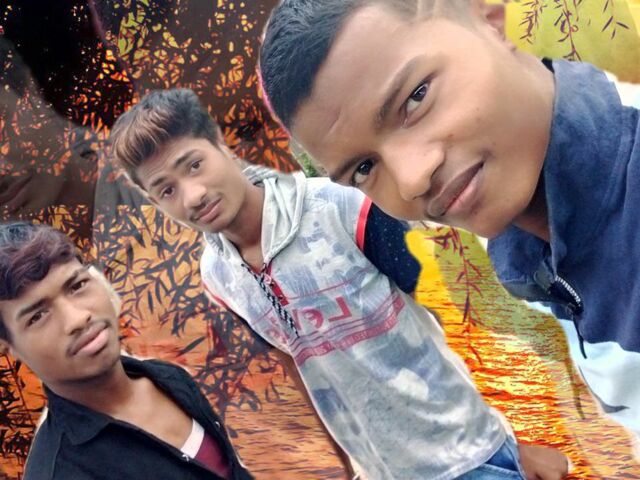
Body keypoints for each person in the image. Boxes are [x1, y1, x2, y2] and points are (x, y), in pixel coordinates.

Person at [109, 88, 569, 480]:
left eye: (193, 165)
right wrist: (346, 466)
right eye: (166, 190)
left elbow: (464, 307)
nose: (191, 196)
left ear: (220, 144)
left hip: (472, 454)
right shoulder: (218, 274)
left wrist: (525, 437)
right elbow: (297, 363)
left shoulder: (340, 210)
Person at [258, 0, 640, 439]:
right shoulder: (522, 254)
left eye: (416, 98)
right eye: (363, 168)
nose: (411, 179)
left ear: (491, 21)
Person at [0, 222, 252, 480]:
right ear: (9, 347)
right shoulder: (61, 473)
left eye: (77, 286)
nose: (77, 318)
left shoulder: (169, 378)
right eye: (38, 316)